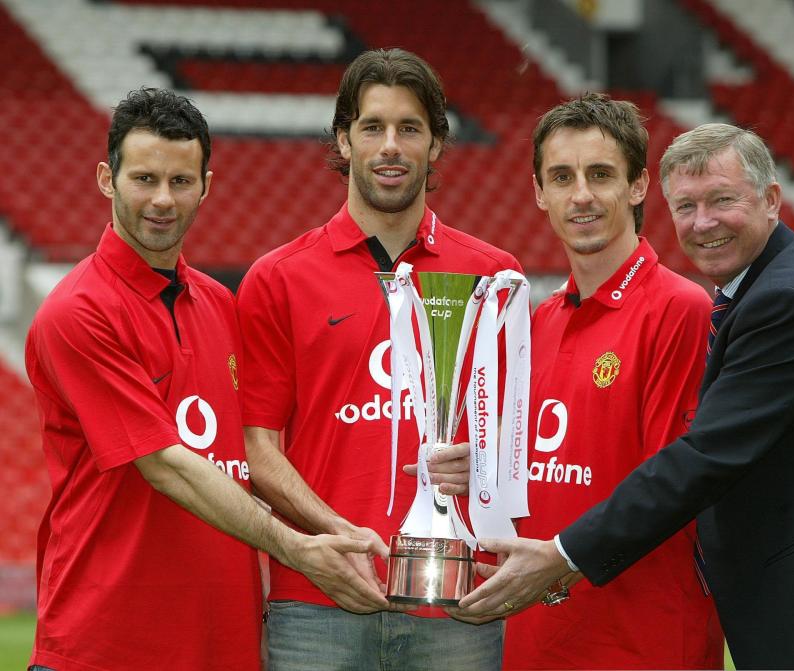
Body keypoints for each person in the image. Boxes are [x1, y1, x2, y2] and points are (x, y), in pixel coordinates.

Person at [455, 123, 794, 668]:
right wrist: (494, 462)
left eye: (722, 200)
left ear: (771, 200)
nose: (703, 223)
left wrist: (561, 555)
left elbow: (704, 457)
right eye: (687, 206)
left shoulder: (787, 300)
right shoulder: (758, 294)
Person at [24, 87, 387, 671]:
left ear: (207, 186)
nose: (163, 200)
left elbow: (249, 453)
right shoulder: (78, 311)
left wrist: (335, 527)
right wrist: (296, 547)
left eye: (180, 181)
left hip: (222, 644)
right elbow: (165, 463)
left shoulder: (221, 304)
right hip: (107, 646)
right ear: (105, 179)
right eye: (144, 179)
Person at [236, 48, 522, 670]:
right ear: (344, 139)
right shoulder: (277, 279)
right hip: (318, 602)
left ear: (437, 144)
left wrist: (486, 459)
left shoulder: (497, 277)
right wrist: (336, 534)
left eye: (410, 128)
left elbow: (516, 434)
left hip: (459, 601)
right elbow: (258, 451)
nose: (390, 146)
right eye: (373, 127)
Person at [491, 94, 721, 669]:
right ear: (539, 193)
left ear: (639, 185)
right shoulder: (537, 321)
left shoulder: (680, 308)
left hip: (641, 640)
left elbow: (669, 486)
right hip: (537, 638)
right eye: (562, 177)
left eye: (600, 175)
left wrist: (562, 558)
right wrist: (478, 464)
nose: (582, 196)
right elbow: (549, 461)